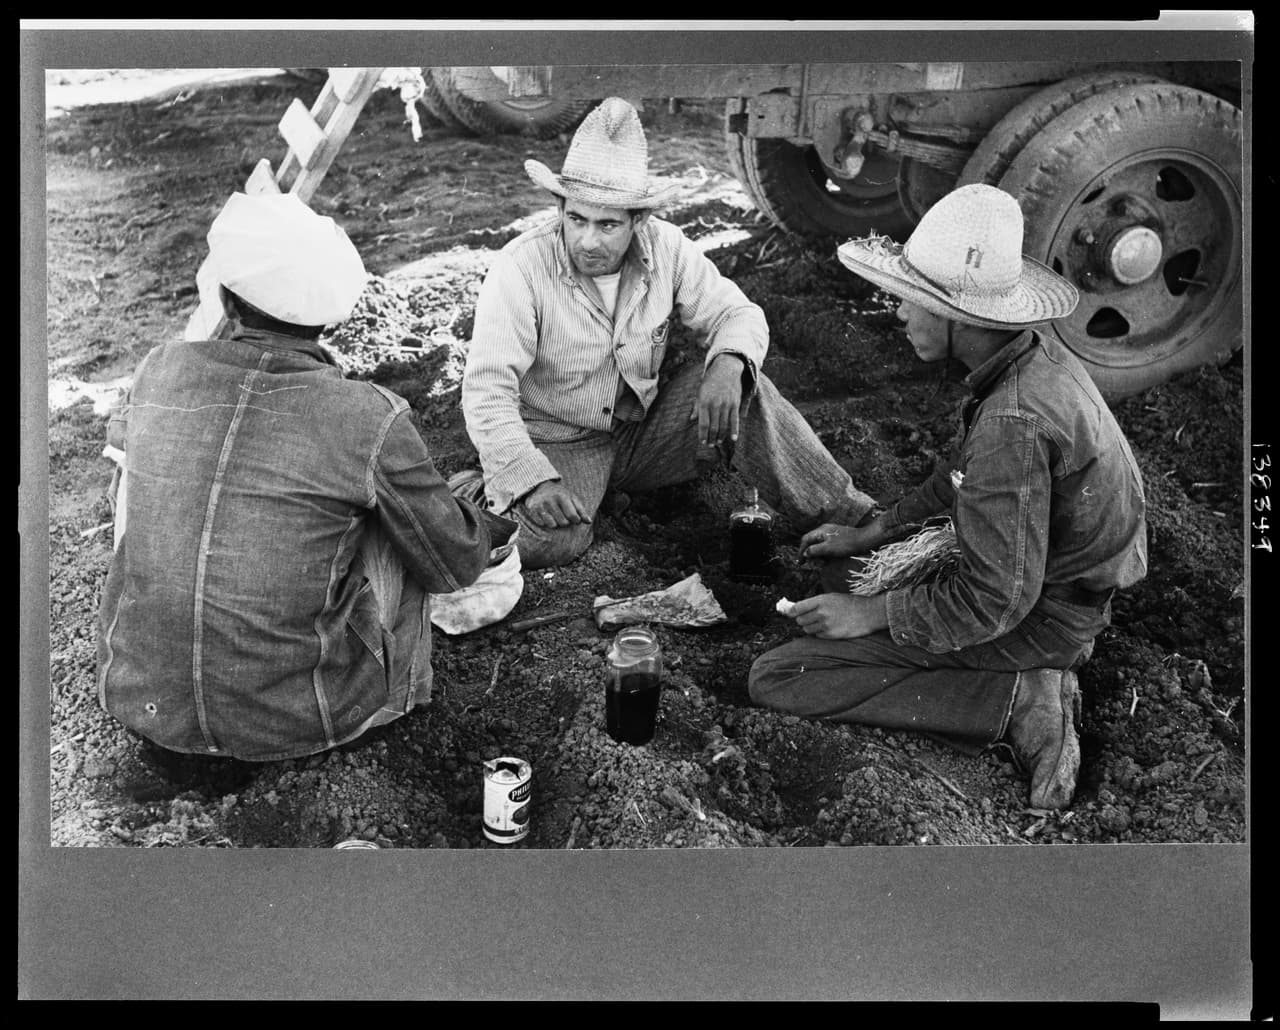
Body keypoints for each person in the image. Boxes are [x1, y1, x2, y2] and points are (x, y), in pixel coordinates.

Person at [748, 184, 1148, 810]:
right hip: (1042, 587)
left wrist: (876, 614)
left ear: (962, 316)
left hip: (1044, 617)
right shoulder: (1023, 365)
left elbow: (996, 599)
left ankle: (1016, 699)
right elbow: (958, 476)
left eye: (912, 300)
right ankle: (1010, 677)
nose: (900, 314)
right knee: (838, 572)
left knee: (782, 675)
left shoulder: (1010, 424)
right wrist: (875, 532)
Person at [96, 192, 492, 763]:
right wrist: (469, 515)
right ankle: (397, 706)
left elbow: (122, 435)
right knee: (394, 522)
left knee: (138, 470)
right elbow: (453, 564)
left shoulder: (160, 368)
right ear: (330, 318)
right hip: (296, 725)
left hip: (142, 703)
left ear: (227, 302)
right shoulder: (367, 416)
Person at [461, 97, 876, 569]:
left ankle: (860, 520)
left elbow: (737, 313)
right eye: (575, 219)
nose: (588, 240)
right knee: (550, 543)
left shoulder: (667, 246)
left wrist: (729, 364)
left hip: (643, 432)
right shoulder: (520, 268)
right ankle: (476, 488)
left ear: (639, 220)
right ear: (559, 205)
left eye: (608, 224)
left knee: (747, 390)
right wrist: (532, 480)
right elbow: (487, 391)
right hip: (559, 442)